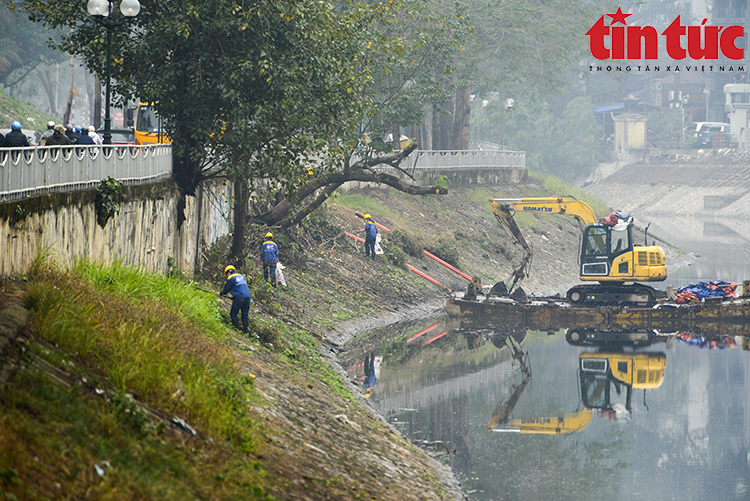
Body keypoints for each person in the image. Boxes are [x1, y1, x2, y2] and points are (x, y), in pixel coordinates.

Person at [219, 265, 252, 333]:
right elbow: (241, 288)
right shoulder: (242, 276)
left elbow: (226, 289)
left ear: (228, 273)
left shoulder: (230, 277)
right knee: (245, 314)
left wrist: (221, 293)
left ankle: (235, 329)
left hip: (239, 297)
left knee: (233, 313)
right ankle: (245, 331)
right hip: (247, 297)